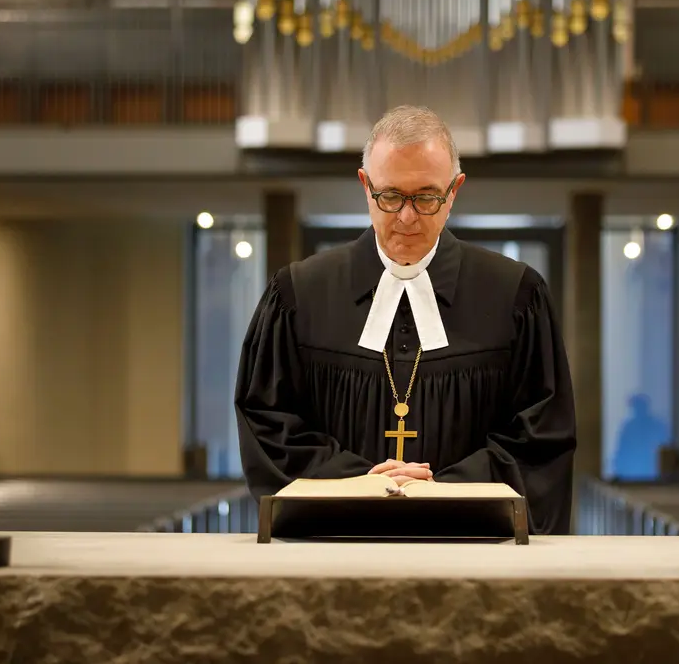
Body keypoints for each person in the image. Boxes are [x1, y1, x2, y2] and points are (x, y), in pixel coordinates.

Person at [234, 105, 577, 534]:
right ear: (365, 186)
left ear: (454, 191)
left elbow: (541, 438)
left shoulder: (515, 296)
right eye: (391, 196)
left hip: (471, 547)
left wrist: (443, 489)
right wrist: (358, 482)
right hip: (334, 547)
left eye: (427, 197)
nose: (407, 217)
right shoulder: (298, 295)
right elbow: (267, 423)